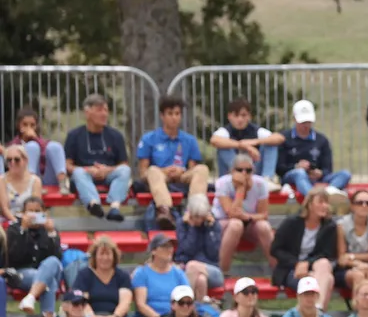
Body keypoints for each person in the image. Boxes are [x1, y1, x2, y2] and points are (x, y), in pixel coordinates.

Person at [136, 95, 210, 230]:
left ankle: (195, 210)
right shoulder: (149, 139)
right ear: (162, 116)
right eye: (170, 114)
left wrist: (182, 171)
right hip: (160, 176)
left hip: (181, 176)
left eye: (177, 114)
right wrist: (164, 171)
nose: (174, 118)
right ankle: (165, 211)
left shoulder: (189, 140)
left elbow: (192, 169)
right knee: (152, 170)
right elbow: (143, 172)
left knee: (202, 169)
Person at [62, 93, 131, 221]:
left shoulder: (116, 135)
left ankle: (114, 207)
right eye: (99, 110)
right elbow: (67, 165)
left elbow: (124, 164)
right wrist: (88, 170)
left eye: (106, 110)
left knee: (125, 171)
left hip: (108, 175)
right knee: (78, 172)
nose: (104, 114)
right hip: (85, 176)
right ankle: (94, 204)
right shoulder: (74, 135)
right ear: (87, 113)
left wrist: (107, 170)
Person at [271, 185, 337, 309]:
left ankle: (315, 309)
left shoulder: (329, 226)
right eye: (320, 202)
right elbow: (275, 249)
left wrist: (307, 263)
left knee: (323, 264)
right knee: (328, 280)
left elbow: (327, 253)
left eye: (326, 203)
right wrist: (296, 264)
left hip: (315, 269)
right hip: (291, 270)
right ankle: (317, 312)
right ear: (310, 204)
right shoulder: (292, 223)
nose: (325, 206)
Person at [213, 151, 276, 273]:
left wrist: (246, 217)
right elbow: (231, 213)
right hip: (223, 223)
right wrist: (240, 189)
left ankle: (278, 270)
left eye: (248, 170)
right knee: (236, 225)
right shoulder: (222, 183)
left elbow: (263, 214)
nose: (244, 174)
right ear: (232, 171)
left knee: (264, 226)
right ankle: (222, 272)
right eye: (239, 170)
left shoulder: (260, 183)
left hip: (249, 222)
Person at [72, 236, 134, 317]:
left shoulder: (122, 276)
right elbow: (82, 302)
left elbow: (125, 302)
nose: (105, 258)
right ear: (95, 256)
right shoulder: (85, 275)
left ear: (114, 256)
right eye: (101, 254)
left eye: (108, 254)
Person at [129, 234, 190, 317]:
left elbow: (187, 298)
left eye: (171, 246)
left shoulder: (178, 273)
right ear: (154, 251)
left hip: (175, 314)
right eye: (164, 246)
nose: (169, 250)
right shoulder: (142, 273)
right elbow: (141, 304)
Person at [276, 100, 350, 200]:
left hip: (317, 178)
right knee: (299, 173)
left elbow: (328, 168)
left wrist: (320, 173)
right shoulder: (284, 138)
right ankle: (315, 199)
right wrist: (296, 167)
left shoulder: (322, 140)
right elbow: (279, 169)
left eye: (309, 122)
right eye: (303, 122)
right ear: (294, 119)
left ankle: (328, 192)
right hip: (292, 176)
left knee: (345, 174)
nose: (306, 125)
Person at [9, 195, 63, 317]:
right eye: (30, 211)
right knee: (49, 281)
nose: (34, 215)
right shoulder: (14, 229)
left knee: (52, 262)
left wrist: (51, 234)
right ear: (23, 213)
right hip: (22, 273)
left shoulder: (50, 230)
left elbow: (57, 257)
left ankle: (30, 298)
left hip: (45, 270)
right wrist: (23, 230)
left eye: (37, 211)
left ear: (44, 213)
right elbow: (13, 257)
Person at [209, 98, 285, 190]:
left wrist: (255, 141)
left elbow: (279, 138)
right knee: (223, 147)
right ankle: (237, 175)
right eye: (236, 115)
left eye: (243, 115)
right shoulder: (225, 131)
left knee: (270, 144)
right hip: (232, 176)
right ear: (229, 116)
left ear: (249, 116)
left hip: (253, 172)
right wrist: (243, 145)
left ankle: (267, 179)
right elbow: (214, 140)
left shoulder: (256, 131)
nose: (240, 119)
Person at [174, 194, 225, 303]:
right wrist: (192, 228)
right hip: (186, 269)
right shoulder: (182, 224)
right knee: (201, 280)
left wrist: (209, 229)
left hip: (212, 270)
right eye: (195, 216)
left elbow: (213, 254)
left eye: (201, 217)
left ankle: (185, 302)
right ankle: (198, 308)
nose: (198, 220)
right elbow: (187, 250)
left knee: (192, 266)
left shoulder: (214, 226)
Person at [335, 188, 368, 296]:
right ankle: (359, 306)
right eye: (360, 203)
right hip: (346, 268)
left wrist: (351, 256)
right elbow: (342, 259)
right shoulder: (342, 225)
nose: (364, 206)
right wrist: (358, 263)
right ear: (352, 206)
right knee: (358, 275)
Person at [10, 108, 68, 191]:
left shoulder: (40, 141)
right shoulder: (14, 143)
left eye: (32, 125)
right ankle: (32, 185)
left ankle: (63, 184)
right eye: (25, 124)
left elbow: (44, 150)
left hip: (46, 177)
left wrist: (35, 138)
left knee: (55, 146)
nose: (29, 128)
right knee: (32, 146)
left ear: (36, 126)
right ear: (19, 125)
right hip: (25, 180)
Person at [0, 144, 44, 224]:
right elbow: (4, 208)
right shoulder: (2, 180)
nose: (12, 162)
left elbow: (37, 207)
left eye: (17, 159)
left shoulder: (35, 181)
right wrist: (17, 223)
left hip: (31, 220)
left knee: (49, 225)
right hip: (9, 221)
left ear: (25, 160)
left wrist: (27, 222)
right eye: (9, 160)